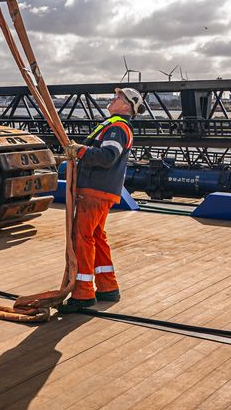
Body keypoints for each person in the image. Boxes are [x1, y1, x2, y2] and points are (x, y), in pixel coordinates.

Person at [59, 88, 147, 312]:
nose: (113, 99)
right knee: (96, 236)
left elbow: (107, 157)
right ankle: (108, 287)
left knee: (82, 238)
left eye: (118, 97)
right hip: (102, 190)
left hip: (94, 190)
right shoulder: (118, 126)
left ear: (127, 106)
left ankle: (83, 294)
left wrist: (80, 151)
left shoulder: (117, 127)